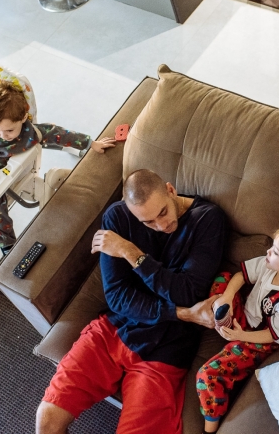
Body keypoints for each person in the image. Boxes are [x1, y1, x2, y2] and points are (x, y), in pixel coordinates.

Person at [36, 169, 228, 434]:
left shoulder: (207, 219)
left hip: (166, 347)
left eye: (163, 212)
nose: (161, 225)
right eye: (147, 222)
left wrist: (130, 252)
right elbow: (116, 296)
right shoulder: (117, 217)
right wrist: (182, 313)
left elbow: (186, 291)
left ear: (171, 190)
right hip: (115, 329)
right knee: (47, 421)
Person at [0, 80, 115, 254]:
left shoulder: (32, 133)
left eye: (9, 130)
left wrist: (91, 143)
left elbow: (61, 134)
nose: (3, 135)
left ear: (23, 118)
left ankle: (7, 247)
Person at [196, 218, 279, 434]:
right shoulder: (268, 265)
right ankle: (223, 323)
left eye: (275, 252)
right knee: (224, 278)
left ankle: (210, 428)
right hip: (246, 317)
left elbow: (271, 335)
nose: (268, 253)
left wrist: (241, 335)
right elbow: (239, 275)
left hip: (263, 339)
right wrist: (228, 298)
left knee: (207, 375)